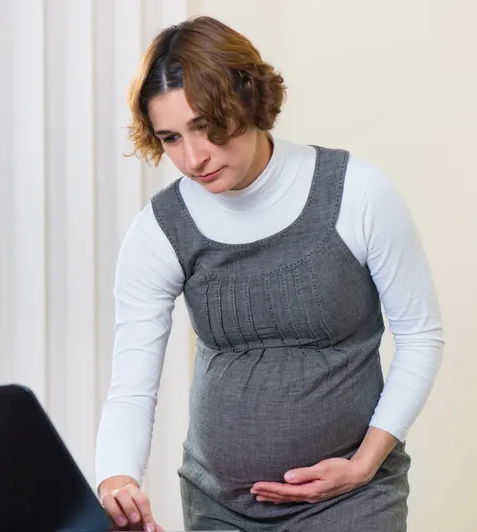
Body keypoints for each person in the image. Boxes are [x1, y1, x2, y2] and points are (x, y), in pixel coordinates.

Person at [95, 15, 444, 532]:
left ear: (250, 99)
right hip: (218, 507)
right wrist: (117, 482)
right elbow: (132, 383)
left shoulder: (359, 194)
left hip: (350, 498)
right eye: (171, 138)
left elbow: (421, 336)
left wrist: (363, 464)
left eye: (206, 126)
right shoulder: (160, 230)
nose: (193, 157)